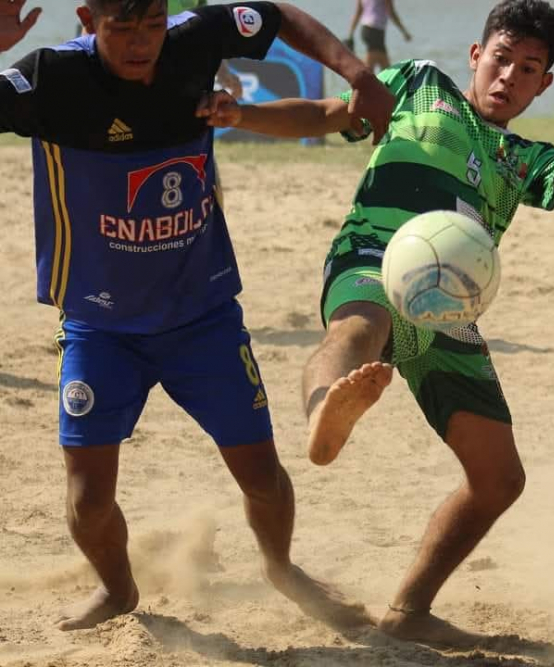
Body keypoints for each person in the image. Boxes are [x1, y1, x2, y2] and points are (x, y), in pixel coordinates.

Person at [199, 0, 554, 644]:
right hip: (375, 258)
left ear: (544, 84)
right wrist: (239, 114)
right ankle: (327, 409)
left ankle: (409, 610)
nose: (508, 77)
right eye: (501, 59)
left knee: (499, 479)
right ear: (476, 54)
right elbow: (328, 115)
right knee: (356, 330)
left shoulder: (519, 156)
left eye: (528, 69)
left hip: (446, 312)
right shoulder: (419, 85)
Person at [0, 0, 395, 632]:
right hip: (100, 328)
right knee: (89, 498)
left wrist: (359, 75)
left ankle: (280, 567)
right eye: (120, 27)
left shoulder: (193, 41)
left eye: (151, 22)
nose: (140, 42)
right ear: (86, 18)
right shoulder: (51, 79)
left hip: (202, 319)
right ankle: (118, 589)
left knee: (263, 477)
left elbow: (277, 16)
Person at [346, 0, 411, 73]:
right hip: (376, 30)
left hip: (366, 29)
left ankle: (365, 80)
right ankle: (360, 79)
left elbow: (358, 12)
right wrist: (404, 31)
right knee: (380, 67)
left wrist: (350, 33)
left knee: (384, 66)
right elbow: (391, 12)